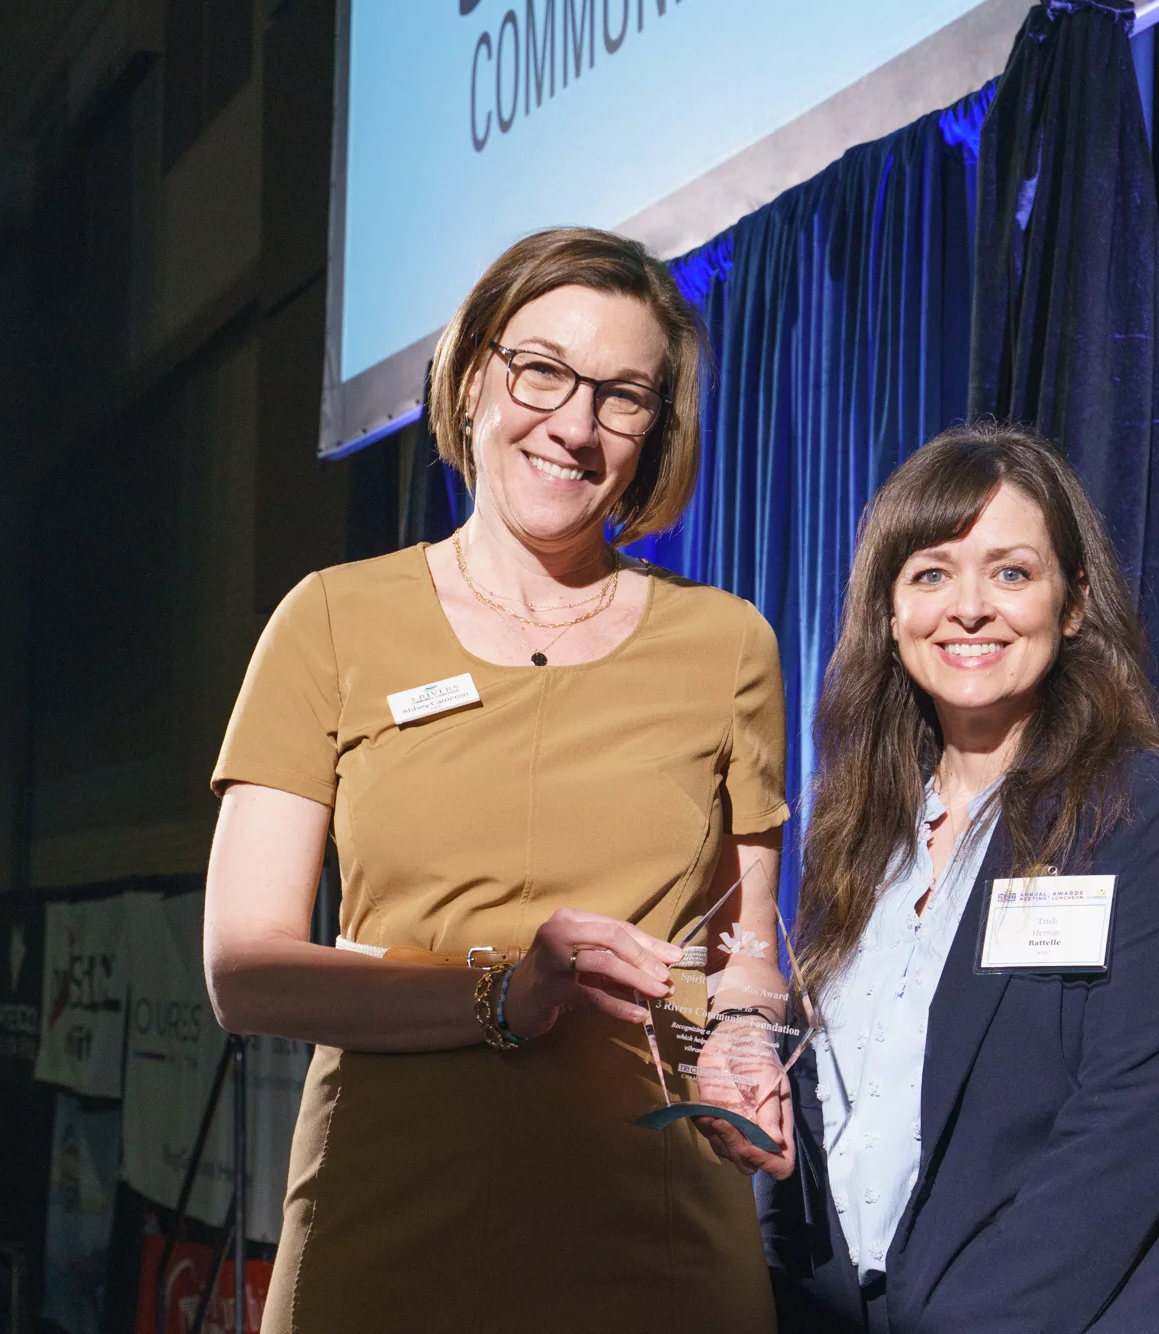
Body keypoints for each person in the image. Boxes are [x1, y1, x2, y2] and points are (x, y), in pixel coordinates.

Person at [202, 227, 790, 1334]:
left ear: (655, 430)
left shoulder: (726, 643)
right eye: (543, 371)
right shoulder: (331, 619)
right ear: (473, 375)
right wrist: (502, 995)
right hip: (389, 1224)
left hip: (651, 1234)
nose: (573, 423)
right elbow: (246, 971)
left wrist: (749, 1041)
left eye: (621, 395)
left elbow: (746, 950)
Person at [743, 425, 1159, 1332]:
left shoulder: (1144, 811)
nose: (968, 607)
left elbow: (1122, 1138)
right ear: (890, 614)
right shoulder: (858, 833)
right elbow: (812, 1105)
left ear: (1074, 603)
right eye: (930, 574)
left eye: (1011, 573)